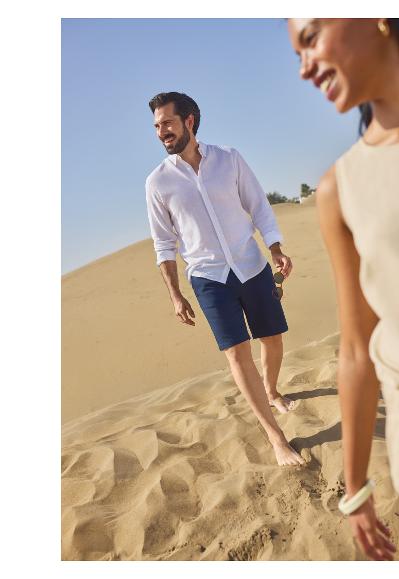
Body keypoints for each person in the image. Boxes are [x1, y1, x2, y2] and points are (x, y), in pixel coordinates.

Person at [287, 19, 399, 560]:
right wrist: (356, 487)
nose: (303, 67)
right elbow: (354, 349)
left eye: (312, 36)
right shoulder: (339, 187)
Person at [145, 92, 305, 467]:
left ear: (189, 121)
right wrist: (175, 294)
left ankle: (272, 390)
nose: (161, 132)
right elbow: (164, 243)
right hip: (208, 276)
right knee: (237, 352)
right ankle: (275, 435)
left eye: (167, 123)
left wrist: (276, 248)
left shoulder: (229, 159)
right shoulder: (158, 183)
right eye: (156, 126)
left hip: (251, 264)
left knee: (272, 338)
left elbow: (258, 205)